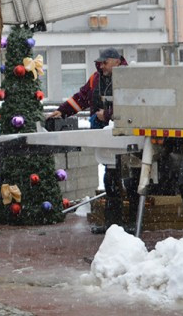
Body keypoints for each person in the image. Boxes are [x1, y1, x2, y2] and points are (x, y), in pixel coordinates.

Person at [49, 47, 132, 233]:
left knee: (127, 180)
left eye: (105, 62)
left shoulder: (129, 78)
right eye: (100, 63)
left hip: (127, 139)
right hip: (106, 139)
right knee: (111, 179)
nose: (101, 66)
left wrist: (109, 114)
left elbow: (134, 104)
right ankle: (114, 225)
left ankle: (128, 222)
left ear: (117, 61)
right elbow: (82, 97)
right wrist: (62, 111)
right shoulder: (96, 79)